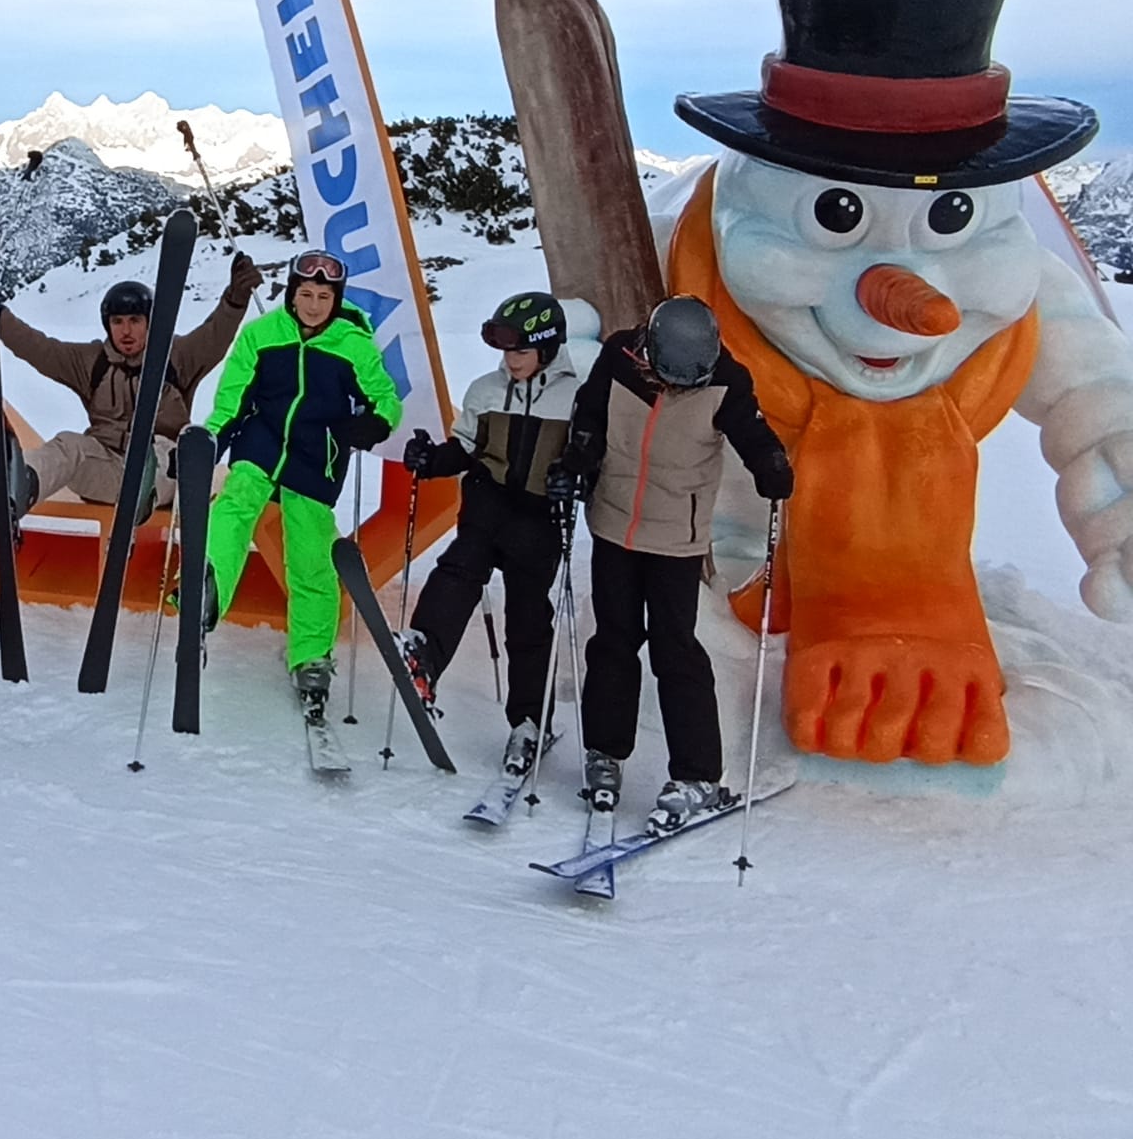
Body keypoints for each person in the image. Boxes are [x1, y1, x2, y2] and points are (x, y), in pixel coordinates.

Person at [558, 293, 793, 831]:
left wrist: (771, 463)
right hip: (613, 525)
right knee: (612, 642)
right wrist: (576, 462)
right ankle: (605, 752)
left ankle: (697, 774)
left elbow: (752, 432)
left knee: (676, 651)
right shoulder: (618, 358)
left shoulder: (726, 381)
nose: (681, 388)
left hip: (676, 540)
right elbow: (589, 416)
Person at [202, 249, 401, 719]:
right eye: (306, 294)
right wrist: (211, 441)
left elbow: (385, 398)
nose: (313, 305)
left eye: (323, 297)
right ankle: (205, 590)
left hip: (316, 456)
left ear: (337, 300)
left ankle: (312, 656)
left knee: (310, 554)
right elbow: (231, 398)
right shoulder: (262, 335)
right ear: (292, 293)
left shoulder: (353, 344)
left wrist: (376, 423)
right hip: (261, 442)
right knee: (235, 503)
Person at [399, 292, 578, 778]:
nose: (511, 361)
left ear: (548, 348)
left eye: (521, 351)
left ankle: (528, 724)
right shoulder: (485, 390)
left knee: (527, 617)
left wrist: (575, 478)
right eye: (505, 351)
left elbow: (589, 458)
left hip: (538, 519)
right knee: (459, 568)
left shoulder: (576, 398)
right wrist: (430, 460)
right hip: (488, 504)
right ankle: (423, 653)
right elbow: (464, 449)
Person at [0, 250, 260, 517]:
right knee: (69, 445)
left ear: (149, 323)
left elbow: (214, 335)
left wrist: (235, 298)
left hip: (164, 475)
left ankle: (143, 495)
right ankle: (21, 487)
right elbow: (38, 348)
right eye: (117, 322)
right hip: (107, 468)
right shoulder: (92, 363)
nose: (126, 331)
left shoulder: (177, 357)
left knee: (161, 450)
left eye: (135, 321)